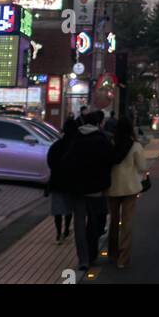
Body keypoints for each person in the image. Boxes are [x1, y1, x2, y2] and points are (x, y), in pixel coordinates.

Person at [49, 108, 114, 273]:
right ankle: (92, 254)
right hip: (97, 189)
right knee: (95, 221)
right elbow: (110, 162)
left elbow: (66, 161)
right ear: (98, 123)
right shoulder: (102, 139)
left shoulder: (76, 140)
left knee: (79, 224)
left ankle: (83, 259)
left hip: (77, 189)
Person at [105, 117, 148, 270]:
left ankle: (112, 252)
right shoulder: (135, 146)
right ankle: (123, 259)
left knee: (114, 222)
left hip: (112, 188)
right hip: (130, 189)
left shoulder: (111, 143)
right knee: (127, 223)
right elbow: (143, 166)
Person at [46, 116, 79, 241]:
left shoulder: (56, 145)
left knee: (58, 209)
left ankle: (58, 233)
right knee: (69, 209)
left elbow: (50, 162)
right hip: (72, 182)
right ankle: (66, 230)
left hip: (57, 181)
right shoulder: (76, 146)